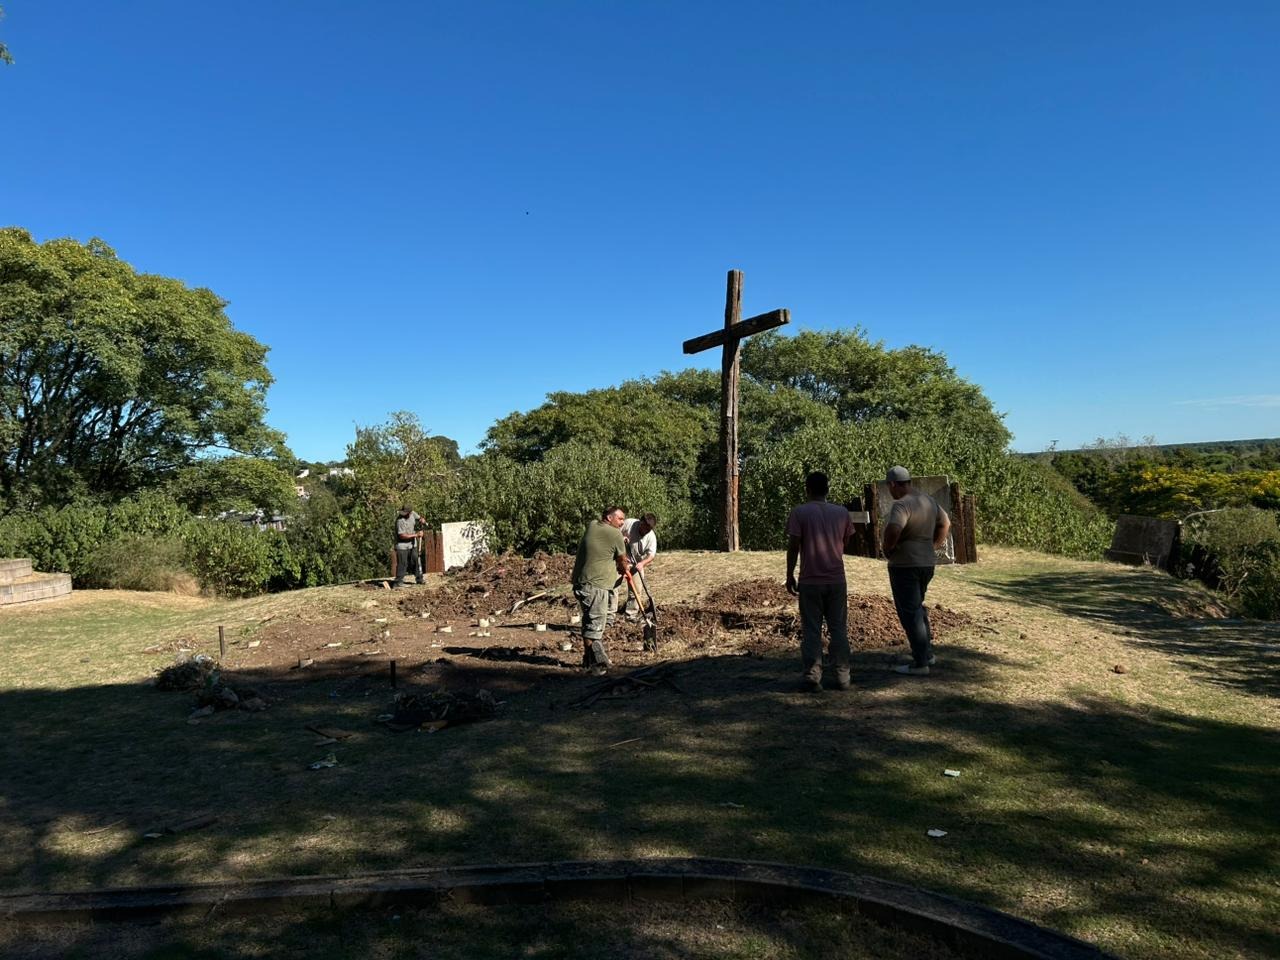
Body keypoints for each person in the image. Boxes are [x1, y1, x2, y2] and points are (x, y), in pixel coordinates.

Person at [786, 472, 855, 692]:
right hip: (836, 579)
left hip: (810, 581)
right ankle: (843, 677)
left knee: (812, 631)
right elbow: (846, 540)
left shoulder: (800, 512)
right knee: (838, 629)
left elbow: (794, 545)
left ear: (807, 489)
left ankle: (812, 677)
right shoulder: (842, 513)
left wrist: (789, 574)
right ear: (827, 489)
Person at [881, 466, 951, 676]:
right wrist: (934, 546)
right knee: (917, 608)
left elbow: (894, 529)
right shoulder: (928, 500)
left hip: (905, 564)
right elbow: (945, 523)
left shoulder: (902, 505)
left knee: (910, 613)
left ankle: (920, 663)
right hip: (926, 563)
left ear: (893, 484)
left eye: (889, 487)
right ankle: (927, 654)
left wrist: (888, 549)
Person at [572, 506, 629, 675]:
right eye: (620, 519)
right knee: (595, 626)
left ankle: (587, 661)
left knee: (589, 622)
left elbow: (602, 546)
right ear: (609, 518)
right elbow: (622, 561)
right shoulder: (615, 534)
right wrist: (625, 567)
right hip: (596, 586)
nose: (622, 522)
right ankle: (595, 665)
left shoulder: (592, 525)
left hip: (581, 583)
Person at [619, 512, 658, 620]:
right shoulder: (629, 524)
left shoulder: (651, 537)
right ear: (640, 523)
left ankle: (630, 615)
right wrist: (621, 538)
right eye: (645, 528)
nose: (646, 531)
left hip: (636, 563)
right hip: (619, 560)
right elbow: (614, 533)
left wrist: (642, 563)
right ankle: (609, 615)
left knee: (636, 590)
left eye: (649, 529)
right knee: (612, 587)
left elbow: (651, 555)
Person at [392, 505, 426, 588]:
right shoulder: (400, 521)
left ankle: (419, 579)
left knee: (415, 561)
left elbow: (419, 518)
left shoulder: (413, 514)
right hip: (402, 546)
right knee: (402, 564)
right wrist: (416, 535)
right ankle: (398, 582)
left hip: (412, 544)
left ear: (410, 512)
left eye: (406, 513)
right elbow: (402, 536)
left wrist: (422, 520)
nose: (404, 514)